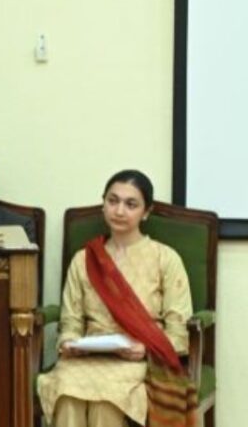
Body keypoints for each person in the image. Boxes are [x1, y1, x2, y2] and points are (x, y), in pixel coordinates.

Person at [37, 170, 195, 427]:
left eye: (131, 204)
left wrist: (145, 349)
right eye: (113, 201)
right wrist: (69, 343)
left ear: (146, 212)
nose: (119, 211)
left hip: (138, 359)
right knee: (66, 393)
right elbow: (71, 321)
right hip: (87, 358)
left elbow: (178, 330)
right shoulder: (84, 259)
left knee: (106, 400)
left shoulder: (165, 259)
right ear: (104, 204)